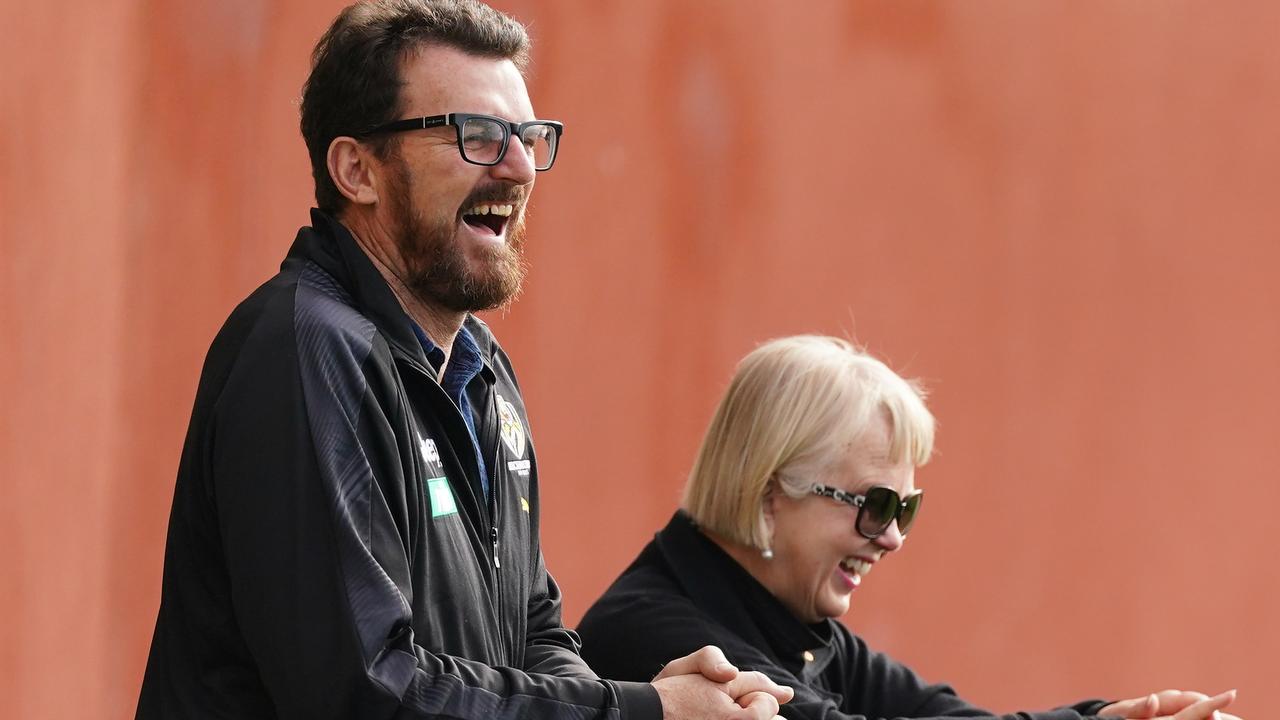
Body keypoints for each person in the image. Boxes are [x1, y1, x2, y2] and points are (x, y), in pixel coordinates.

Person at [135, 2, 792, 719]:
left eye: (529, 136)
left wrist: (653, 703)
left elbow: (532, 635)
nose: (517, 167)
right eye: (477, 136)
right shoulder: (306, 350)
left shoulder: (483, 372)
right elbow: (366, 693)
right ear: (358, 170)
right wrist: (644, 712)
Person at [577, 335, 1241, 720]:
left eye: (905, 509)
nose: (891, 538)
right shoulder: (657, 633)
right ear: (770, 491)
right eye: (874, 506)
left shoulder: (793, 625)